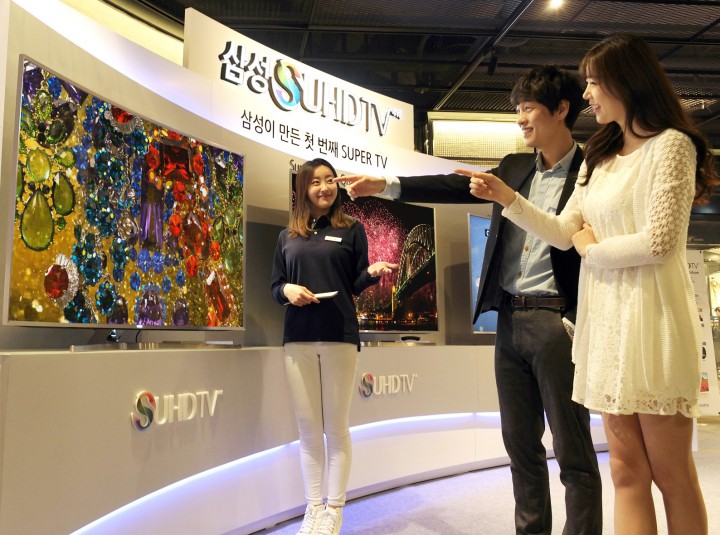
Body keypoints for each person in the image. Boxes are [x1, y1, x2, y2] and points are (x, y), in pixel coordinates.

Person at [466, 34, 716, 535]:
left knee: (672, 474)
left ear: (627, 81)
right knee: (626, 471)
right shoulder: (599, 154)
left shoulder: (672, 145)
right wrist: (510, 199)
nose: (586, 94)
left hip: (653, 320)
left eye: (594, 82)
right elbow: (563, 230)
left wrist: (592, 250)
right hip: (604, 323)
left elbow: (661, 241)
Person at [336, 65, 602, 534]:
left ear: (561, 109)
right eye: (518, 109)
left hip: (558, 320)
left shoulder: (592, 171)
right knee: (520, 445)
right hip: (510, 321)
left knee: (572, 448)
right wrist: (388, 185)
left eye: (529, 109)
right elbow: (454, 185)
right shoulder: (515, 167)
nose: (521, 119)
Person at [271, 158, 398, 535]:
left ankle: (334, 511)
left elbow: (355, 284)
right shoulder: (287, 237)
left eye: (330, 180)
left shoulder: (352, 229)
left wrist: (370, 274)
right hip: (297, 338)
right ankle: (313, 509)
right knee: (308, 430)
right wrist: (288, 290)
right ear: (303, 189)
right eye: (315, 182)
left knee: (336, 429)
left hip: (340, 335)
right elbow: (275, 286)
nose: (324, 187)